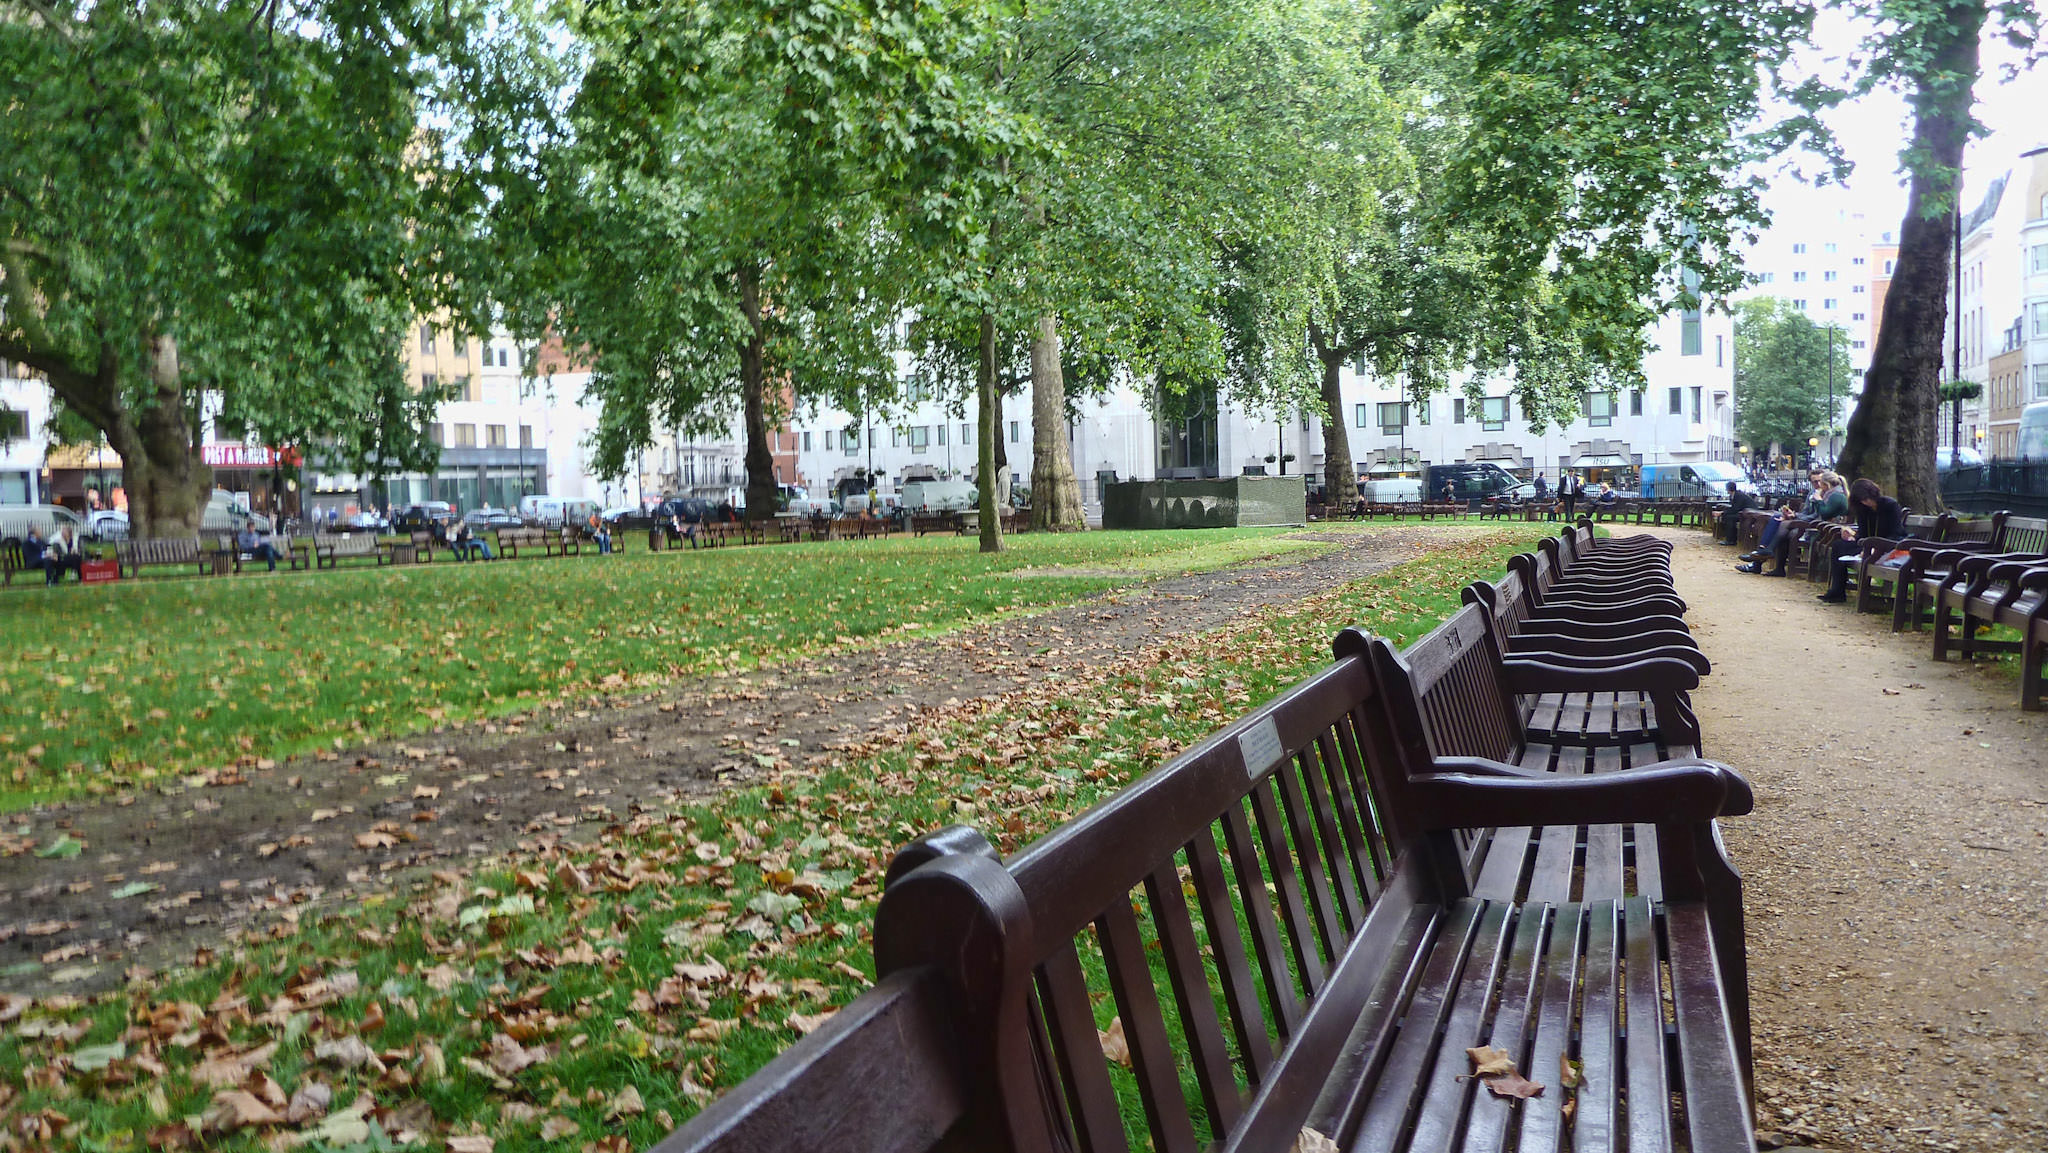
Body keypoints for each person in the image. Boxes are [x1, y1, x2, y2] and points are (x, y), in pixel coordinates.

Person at [1740, 472, 1846, 575]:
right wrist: (1793, 515)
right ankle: (1765, 555)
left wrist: (1797, 515)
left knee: (1783, 526)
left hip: (1817, 527)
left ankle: (1763, 557)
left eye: (1819, 482)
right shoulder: (1817, 493)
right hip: (1810, 523)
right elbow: (1807, 512)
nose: (1817, 485)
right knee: (1778, 520)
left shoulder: (1829, 495)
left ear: (1825, 483)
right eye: (1814, 482)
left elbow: (1819, 515)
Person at [1820, 478, 1906, 603]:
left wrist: (1876, 548)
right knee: (1838, 546)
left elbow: (1897, 532)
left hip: (1889, 546)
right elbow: (1863, 533)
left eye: (1867, 498)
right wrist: (1852, 537)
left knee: (1859, 550)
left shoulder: (1890, 505)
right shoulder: (1862, 509)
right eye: (1863, 500)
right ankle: (1837, 591)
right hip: (1867, 545)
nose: (1866, 502)